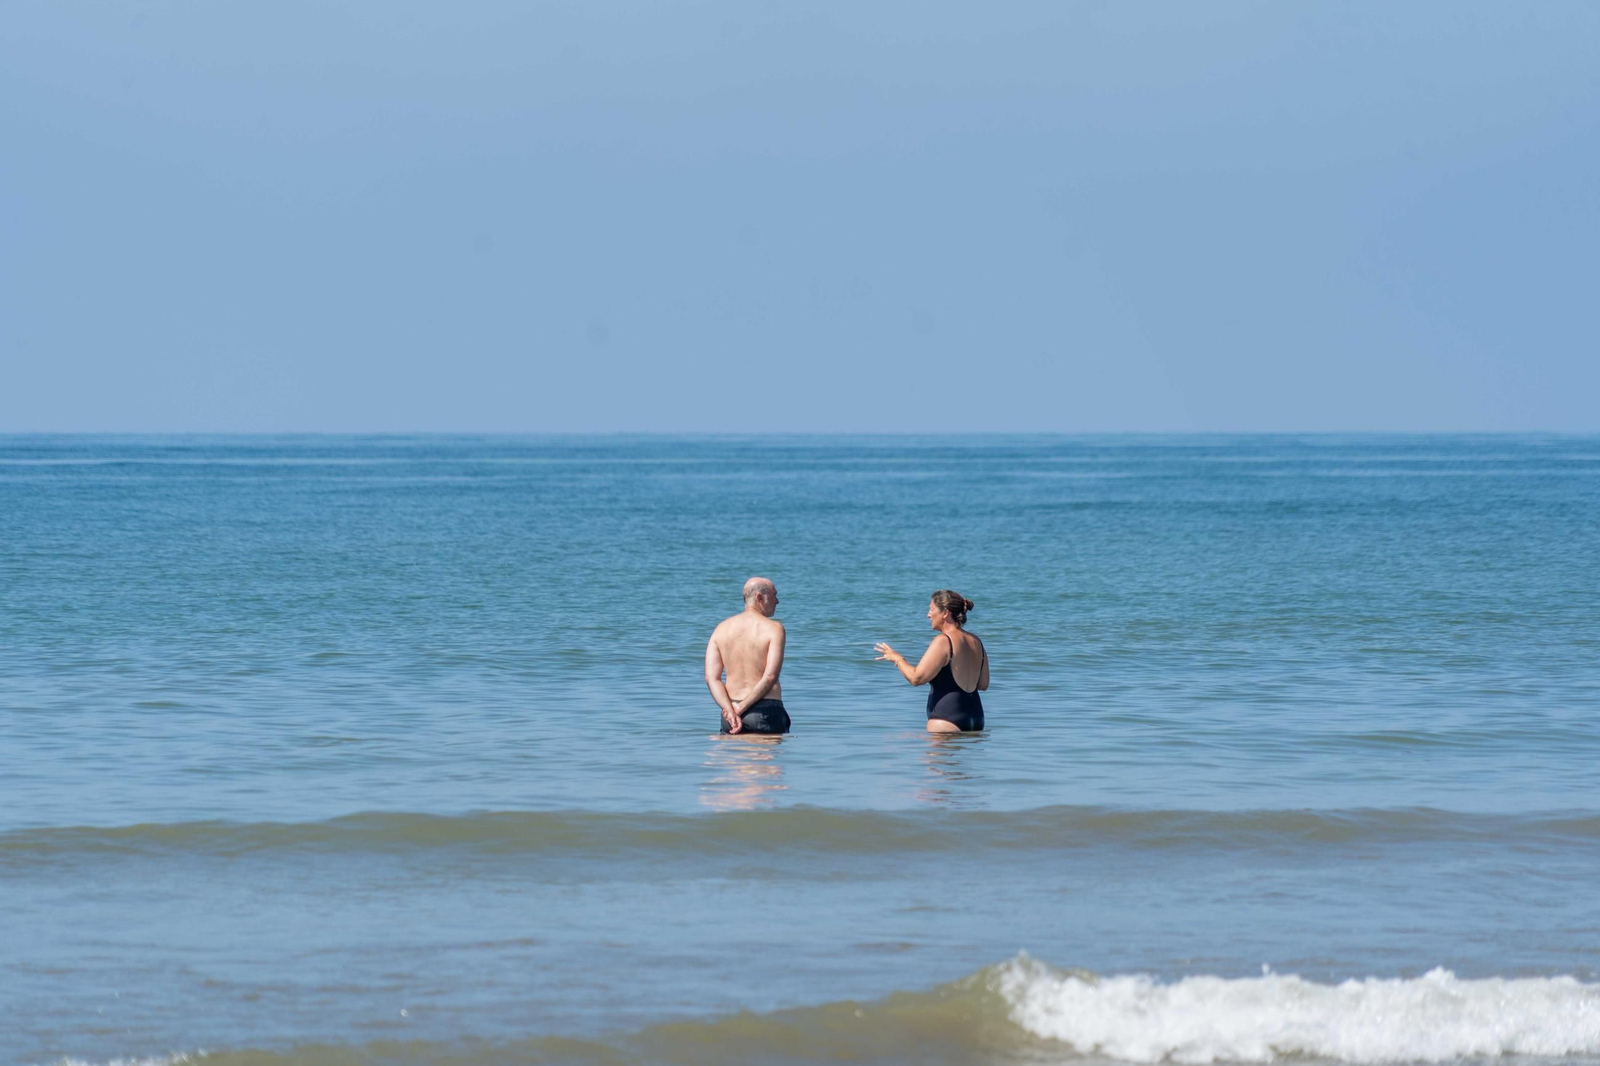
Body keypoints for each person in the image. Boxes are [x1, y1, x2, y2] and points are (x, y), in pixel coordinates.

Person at [874, 590, 988, 732]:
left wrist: (897, 658)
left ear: (945, 613)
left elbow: (916, 678)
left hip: (946, 720)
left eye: (931, 609)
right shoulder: (976, 641)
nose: (928, 615)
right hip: (976, 718)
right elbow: (983, 684)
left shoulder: (943, 641)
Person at [705, 577, 790, 735]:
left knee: (735, 758)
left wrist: (731, 711)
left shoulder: (721, 629)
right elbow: (770, 676)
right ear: (759, 597)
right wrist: (741, 708)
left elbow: (712, 678)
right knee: (763, 760)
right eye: (774, 595)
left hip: (730, 714)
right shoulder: (774, 629)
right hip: (764, 712)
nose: (777, 601)